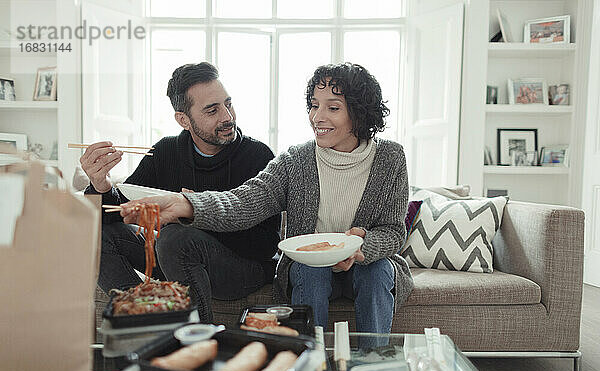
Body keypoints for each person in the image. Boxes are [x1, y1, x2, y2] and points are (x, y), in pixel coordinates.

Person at [121, 62, 414, 341]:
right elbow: (244, 202)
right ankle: (308, 366)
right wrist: (188, 205)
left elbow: (393, 232)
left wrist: (363, 246)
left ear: (359, 114)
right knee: (308, 270)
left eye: (332, 108)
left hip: (365, 266)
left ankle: (374, 363)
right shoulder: (295, 160)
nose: (317, 117)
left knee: (377, 271)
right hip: (308, 268)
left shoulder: (390, 158)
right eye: (314, 105)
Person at [82, 62, 280, 322]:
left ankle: (197, 338)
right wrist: (101, 185)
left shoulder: (257, 155)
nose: (227, 117)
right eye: (212, 110)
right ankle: (144, 317)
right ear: (183, 119)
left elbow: (266, 246)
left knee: (176, 237)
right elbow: (121, 212)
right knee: (97, 236)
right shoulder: (165, 152)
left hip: (242, 268)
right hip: (176, 259)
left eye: (228, 104)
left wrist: (193, 213)